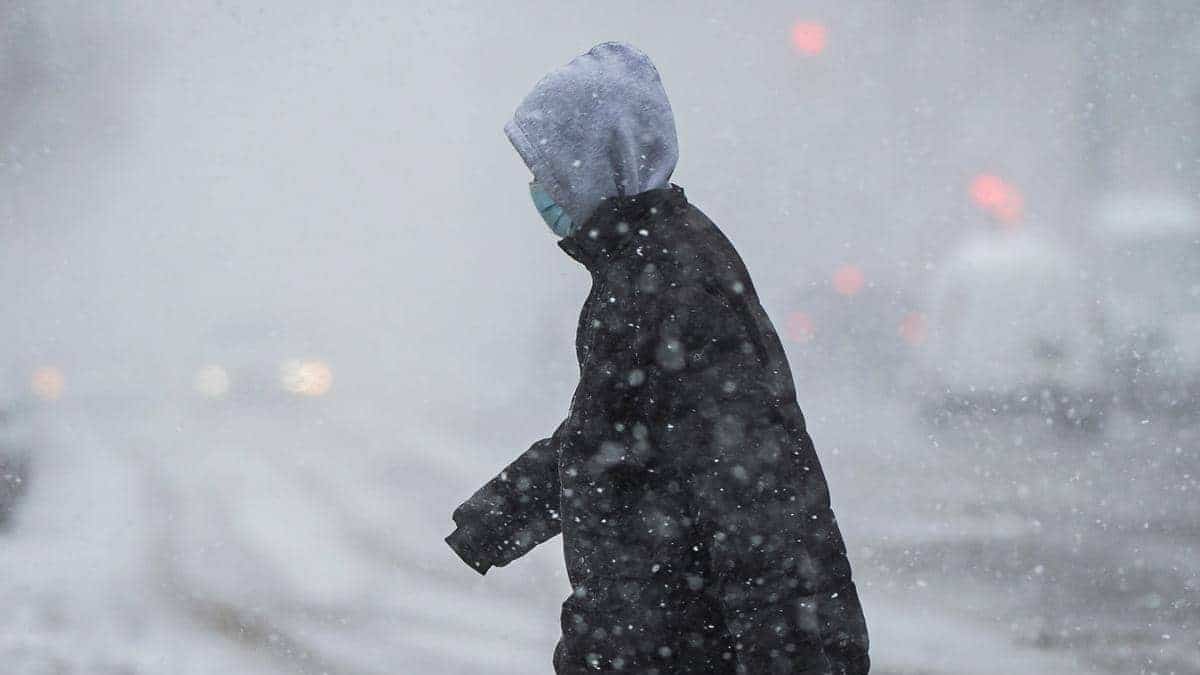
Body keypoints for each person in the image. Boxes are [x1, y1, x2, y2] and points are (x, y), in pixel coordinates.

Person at [445, 41, 869, 674]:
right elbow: (613, 431)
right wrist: (501, 515)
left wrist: (793, 656)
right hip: (643, 640)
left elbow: (752, 493)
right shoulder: (640, 268)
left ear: (595, 162)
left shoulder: (672, 280)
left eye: (549, 168)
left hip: (679, 645)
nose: (539, 188)